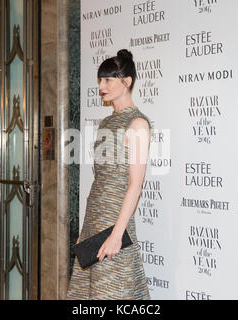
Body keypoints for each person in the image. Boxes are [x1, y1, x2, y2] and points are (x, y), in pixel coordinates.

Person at [67, 49, 152, 300]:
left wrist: (116, 235)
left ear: (127, 82)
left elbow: (135, 186)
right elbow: (99, 181)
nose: (101, 86)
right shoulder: (105, 123)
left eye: (108, 80)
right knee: (88, 294)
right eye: (100, 80)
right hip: (95, 219)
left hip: (116, 223)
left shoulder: (138, 125)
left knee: (113, 291)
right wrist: (86, 227)